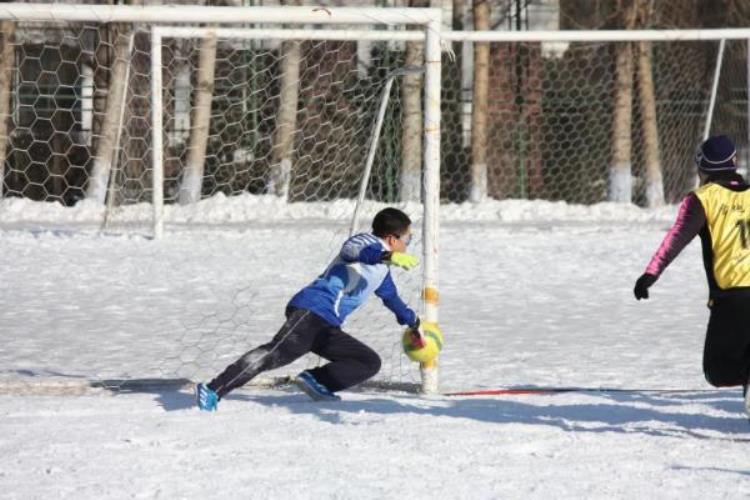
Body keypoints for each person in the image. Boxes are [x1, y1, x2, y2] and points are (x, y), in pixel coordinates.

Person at [196, 207, 424, 410]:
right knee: (275, 354)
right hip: (311, 311)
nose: (408, 244)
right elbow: (351, 251)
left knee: (367, 362)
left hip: (327, 325)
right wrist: (386, 255)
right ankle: (214, 388)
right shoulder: (366, 242)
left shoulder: (382, 271)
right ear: (392, 239)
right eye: (408, 239)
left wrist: (412, 321)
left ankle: (317, 383)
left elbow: (391, 297)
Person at [634, 134, 750, 419]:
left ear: (703, 168)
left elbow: (676, 238)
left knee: (717, 370)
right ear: (734, 162)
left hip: (733, 295)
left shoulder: (702, 199)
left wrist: (651, 273)